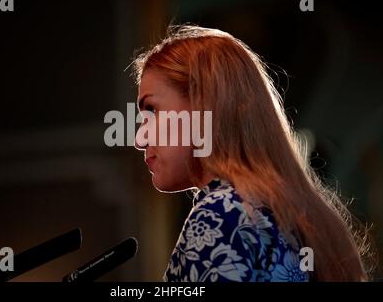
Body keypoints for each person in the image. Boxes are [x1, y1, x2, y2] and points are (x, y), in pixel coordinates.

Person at [132, 25, 370, 282]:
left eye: (152, 111)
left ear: (204, 105)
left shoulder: (222, 215)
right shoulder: (291, 215)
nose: (139, 138)